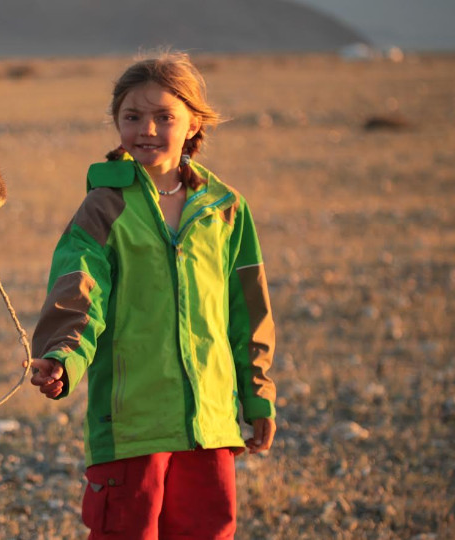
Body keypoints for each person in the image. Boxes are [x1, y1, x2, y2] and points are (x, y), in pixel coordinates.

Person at [28, 51, 277, 539]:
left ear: (193, 124)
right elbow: (80, 287)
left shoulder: (226, 209)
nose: (147, 128)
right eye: (132, 116)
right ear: (116, 122)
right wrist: (63, 356)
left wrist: (259, 394)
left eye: (165, 116)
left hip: (209, 426)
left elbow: (248, 310)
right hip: (130, 426)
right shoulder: (104, 205)